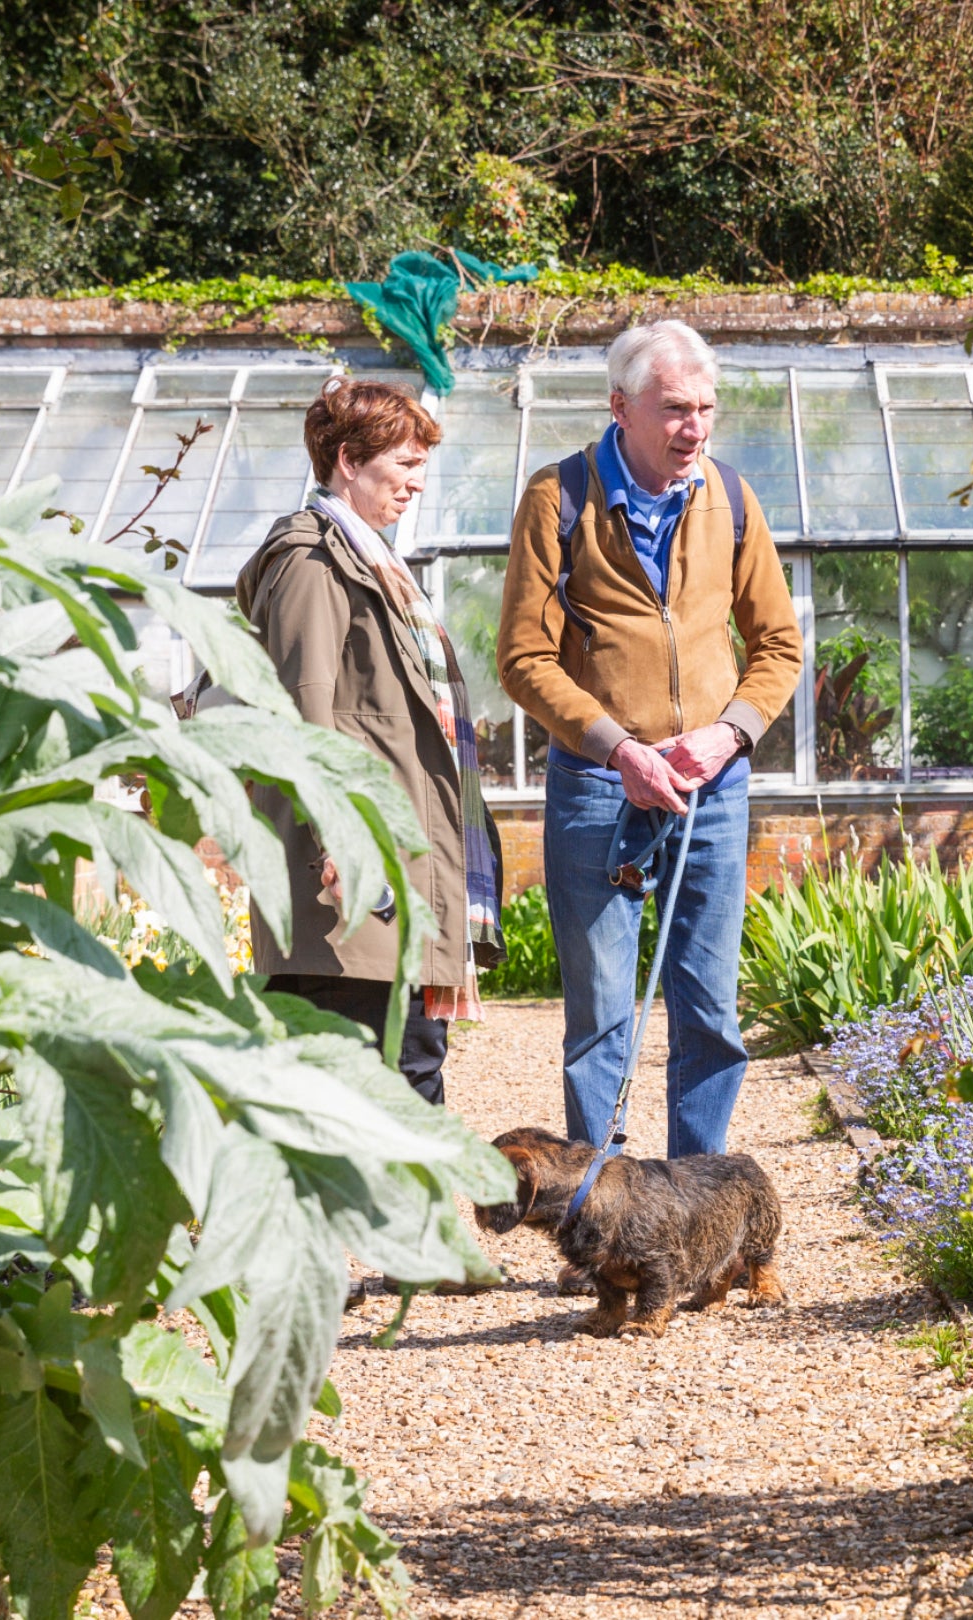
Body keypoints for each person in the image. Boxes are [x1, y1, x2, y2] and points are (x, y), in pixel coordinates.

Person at [496, 319, 803, 1179]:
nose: (694, 427)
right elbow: (523, 658)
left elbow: (777, 645)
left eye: (705, 408)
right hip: (600, 788)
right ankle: (605, 1207)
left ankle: (701, 1206)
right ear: (620, 407)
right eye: (674, 409)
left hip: (712, 789)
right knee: (601, 1015)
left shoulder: (734, 500)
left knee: (709, 1008)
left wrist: (728, 732)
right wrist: (618, 747)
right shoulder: (558, 501)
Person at [237, 377, 502, 1107]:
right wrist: (339, 851)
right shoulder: (311, 563)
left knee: (408, 1079)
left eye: (422, 465)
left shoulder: (369, 562)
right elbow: (303, 718)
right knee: (375, 1100)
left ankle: (401, 1226)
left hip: (391, 878)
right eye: (405, 464)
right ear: (348, 461)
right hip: (351, 890)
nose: (417, 483)